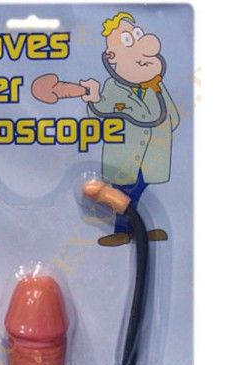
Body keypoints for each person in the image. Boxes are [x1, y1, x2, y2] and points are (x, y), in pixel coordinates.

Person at [80, 12, 180, 246]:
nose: (145, 45)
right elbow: (99, 114)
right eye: (129, 40)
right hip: (124, 158)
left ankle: (137, 231)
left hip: (151, 156)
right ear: (111, 58)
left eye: (137, 35)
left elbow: (171, 116)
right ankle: (123, 230)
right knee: (126, 193)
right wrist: (94, 98)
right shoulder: (113, 88)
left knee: (140, 190)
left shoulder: (156, 88)